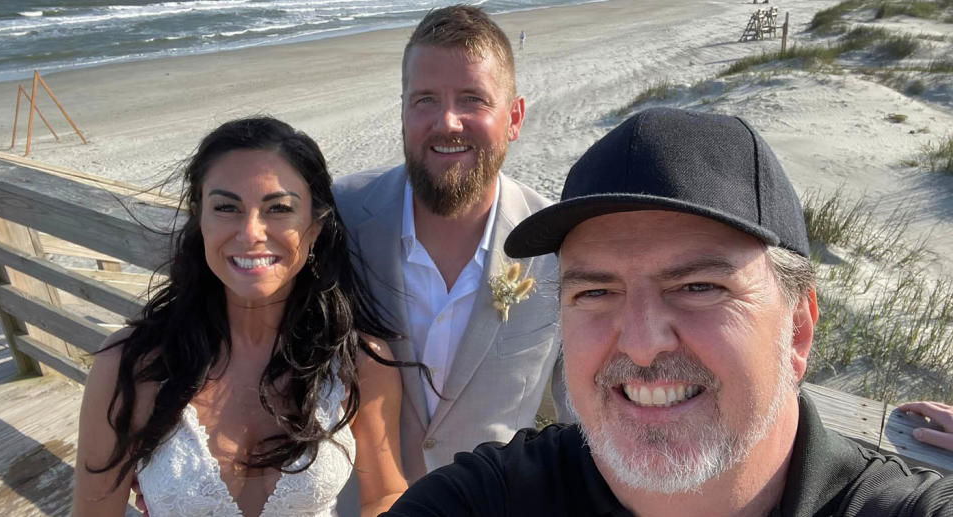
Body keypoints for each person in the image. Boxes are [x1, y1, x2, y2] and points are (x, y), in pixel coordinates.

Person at [381, 107, 953, 516]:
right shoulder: (486, 498)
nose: (641, 342)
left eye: (699, 286)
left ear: (797, 329)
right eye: (595, 293)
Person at [73, 117, 412, 517]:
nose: (251, 232)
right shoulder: (128, 366)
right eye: (227, 207)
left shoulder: (357, 362)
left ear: (316, 226)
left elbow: (384, 495)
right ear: (200, 219)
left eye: (279, 208)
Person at [331, 4, 566, 491]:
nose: (448, 122)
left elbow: (588, 411)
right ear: (402, 112)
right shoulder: (342, 216)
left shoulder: (557, 245)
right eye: (425, 100)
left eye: (472, 99)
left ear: (514, 117)